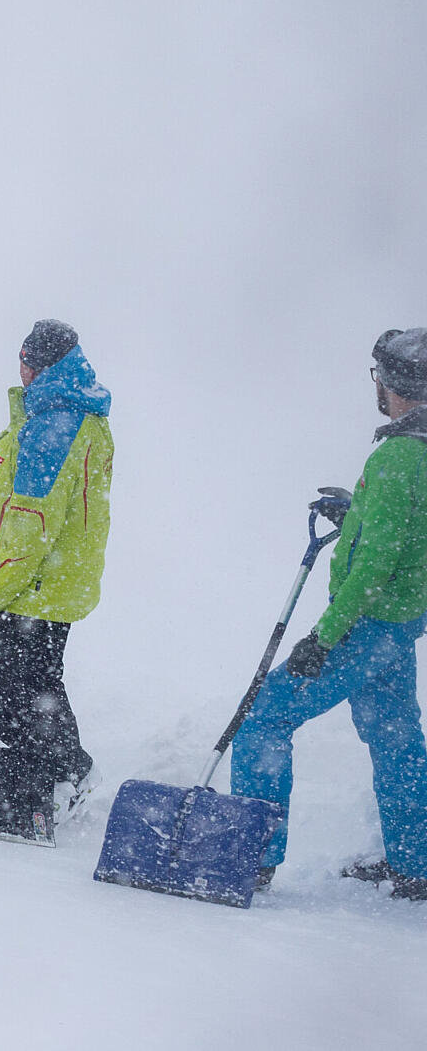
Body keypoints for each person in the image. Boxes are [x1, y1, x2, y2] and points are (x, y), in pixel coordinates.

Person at [234, 327, 427, 900]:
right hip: (399, 624)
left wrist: (324, 637)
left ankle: (251, 857)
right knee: (397, 741)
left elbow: (373, 567)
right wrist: (358, 513)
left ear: (393, 384)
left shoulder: (398, 457)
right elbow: (404, 535)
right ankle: (415, 864)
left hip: (364, 624)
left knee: (264, 719)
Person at [0, 319, 112, 816]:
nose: (18, 371)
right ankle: (61, 776)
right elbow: (41, 497)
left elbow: (31, 530)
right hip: (55, 584)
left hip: (33, 587)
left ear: (39, 365)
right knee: (38, 688)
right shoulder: (71, 413)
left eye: (23, 362)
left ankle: (66, 773)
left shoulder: (54, 427)